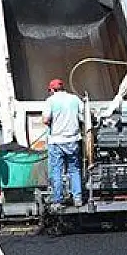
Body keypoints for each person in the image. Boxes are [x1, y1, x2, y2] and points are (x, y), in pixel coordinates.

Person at [42, 78, 84, 209]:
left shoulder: (51, 101)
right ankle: (77, 198)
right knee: (74, 169)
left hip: (56, 141)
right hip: (73, 140)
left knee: (57, 171)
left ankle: (58, 200)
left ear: (53, 90)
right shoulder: (75, 99)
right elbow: (83, 116)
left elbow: (45, 119)